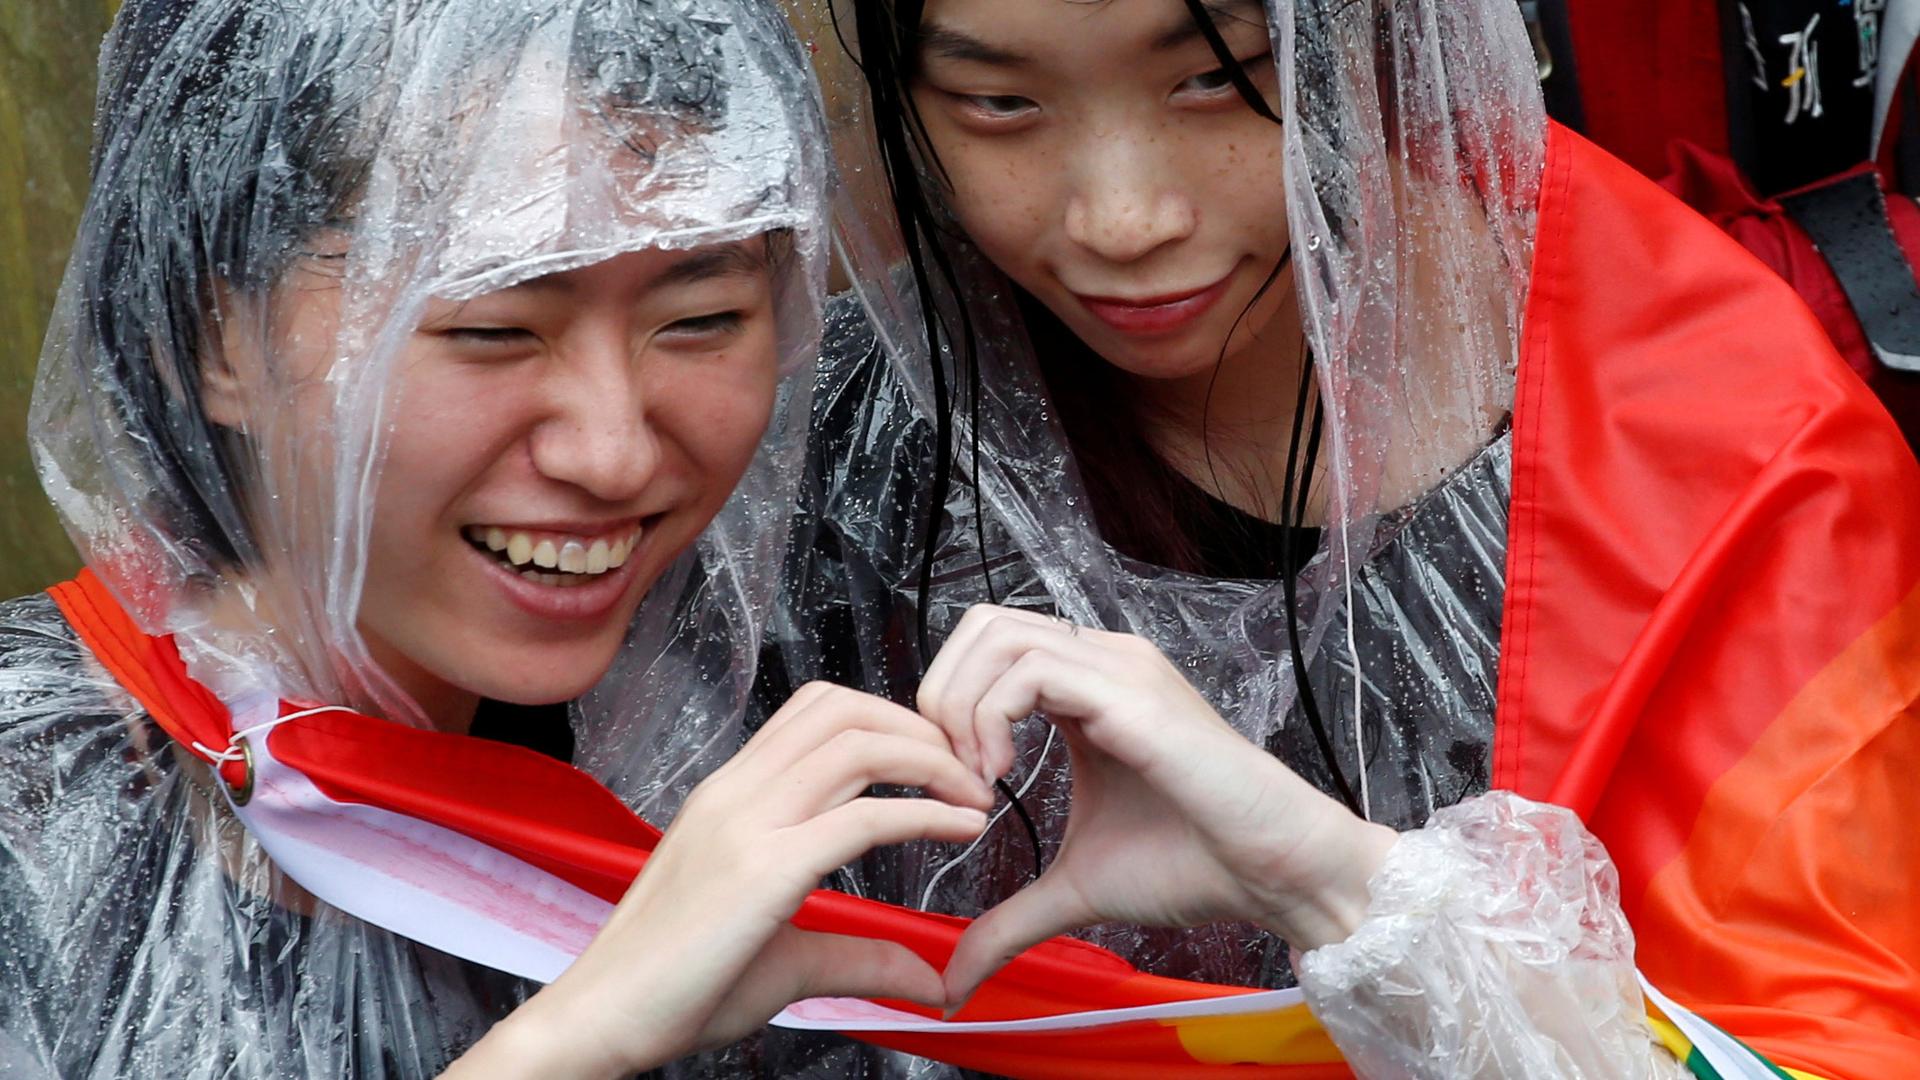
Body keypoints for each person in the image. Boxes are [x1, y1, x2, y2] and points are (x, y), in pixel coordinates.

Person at [770, 0, 1920, 1074]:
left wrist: (1350, 896)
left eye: (1216, 80)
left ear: (1360, 44)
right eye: (1000, 105)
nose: (1123, 220)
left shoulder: (1739, 463)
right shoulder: (831, 429)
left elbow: (1817, 1035)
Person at [0, 1, 1000, 1076]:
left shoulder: (756, 768)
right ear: (210, 338)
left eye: (702, 317)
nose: (613, 452)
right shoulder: (30, 822)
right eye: (493, 330)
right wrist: (585, 1036)